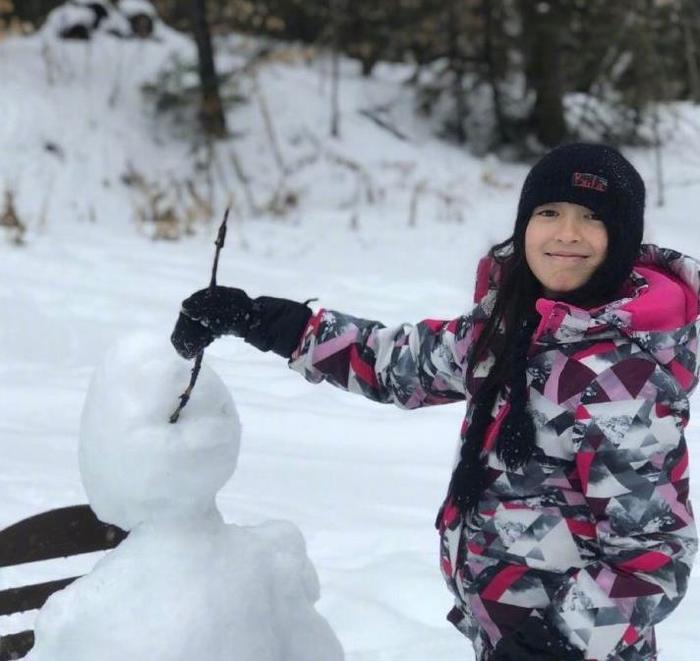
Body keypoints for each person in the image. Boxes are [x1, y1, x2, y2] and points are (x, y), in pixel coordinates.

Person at [171, 143, 699, 661]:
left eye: (592, 217)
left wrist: (558, 641)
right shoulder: (512, 328)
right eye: (549, 212)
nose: (566, 233)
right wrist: (264, 321)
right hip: (503, 635)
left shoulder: (622, 380)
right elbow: (398, 363)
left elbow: (651, 556)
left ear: (624, 236)